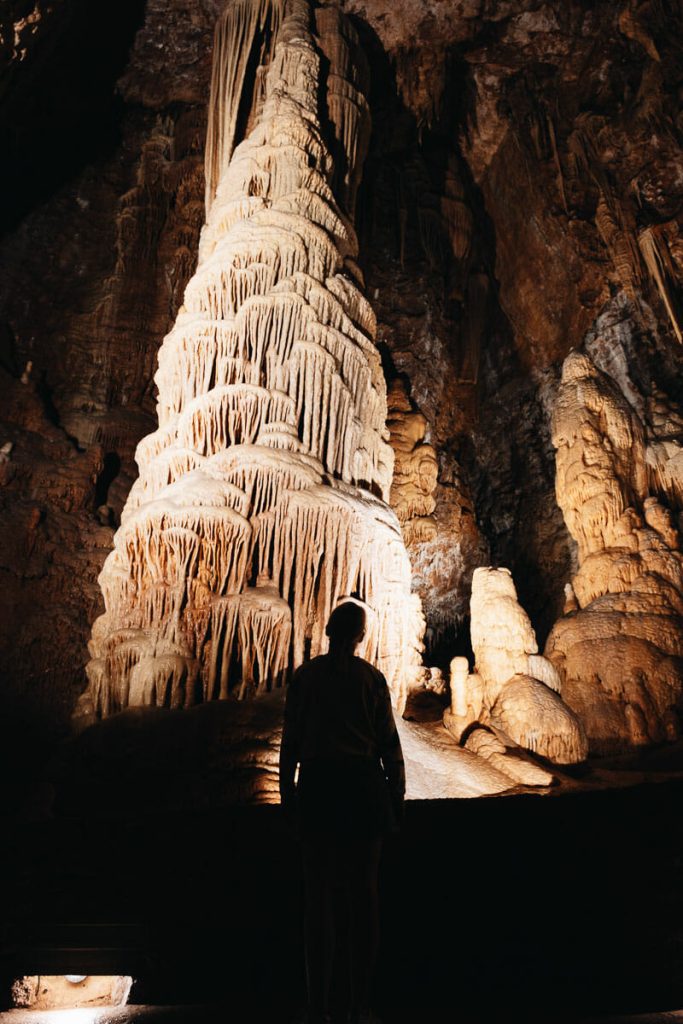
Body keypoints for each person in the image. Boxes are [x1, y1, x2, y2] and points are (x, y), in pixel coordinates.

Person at [279, 601, 405, 1024]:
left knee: (318, 899)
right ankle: (358, 1002)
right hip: (363, 788)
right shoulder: (371, 679)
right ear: (360, 636)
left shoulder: (306, 678)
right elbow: (389, 744)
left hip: (318, 786)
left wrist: (287, 796)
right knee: (363, 896)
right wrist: (397, 799)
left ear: (329, 630)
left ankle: (318, 1004)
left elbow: (291, 743)